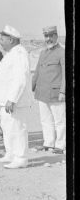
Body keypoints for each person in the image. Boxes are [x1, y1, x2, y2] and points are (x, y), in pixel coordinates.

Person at [0, 25, 34, 169]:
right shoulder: (12, 53)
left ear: (11, 39)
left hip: (15, 101)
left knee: (17, 128)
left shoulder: (19, 53)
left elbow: (20, 79)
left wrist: (12, 99)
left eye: (2, 39)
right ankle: (11, 154)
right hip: (5, 100)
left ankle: (21, 158)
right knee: (7, 128)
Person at [32, 25, 66, 154]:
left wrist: (63, 91)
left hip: (56, 93)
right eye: (46, 36)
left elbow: (65, 73)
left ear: (56, 36)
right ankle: (48, 143)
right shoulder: (43, 53)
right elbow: (37, 72)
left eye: (51, 36)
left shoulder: (62, 52)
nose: (48, 39)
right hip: (42, 92)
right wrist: (32, 87)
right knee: (45, 120)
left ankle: (60, 145)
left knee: (60, 120)